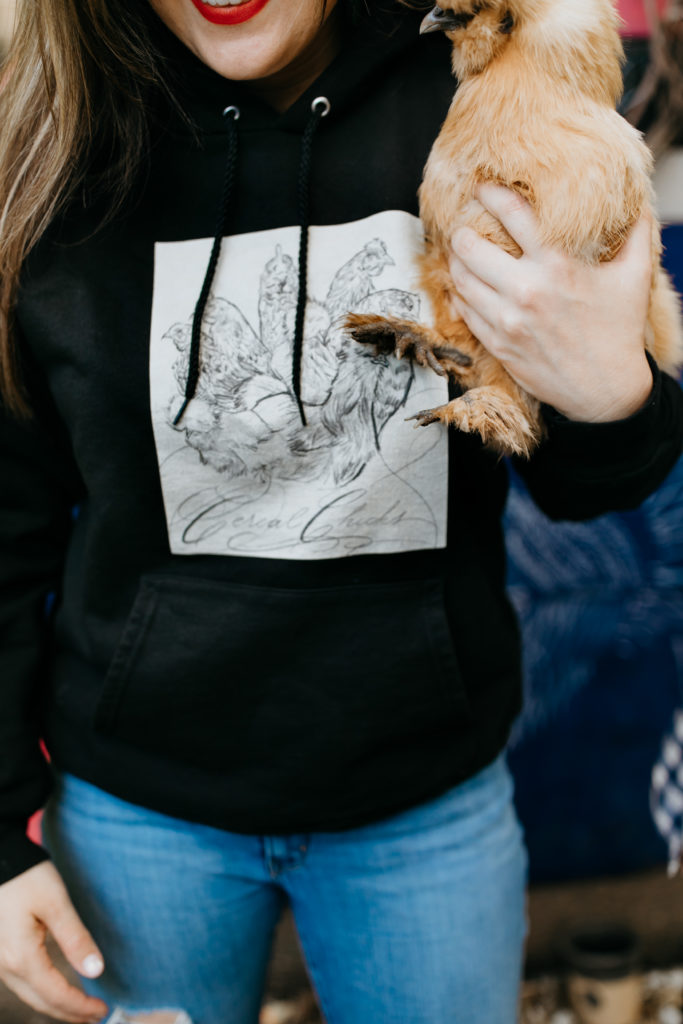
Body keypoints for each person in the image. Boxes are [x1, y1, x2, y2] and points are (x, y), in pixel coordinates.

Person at [0, 1, 681, 1022]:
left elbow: (587, 484)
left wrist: (608, 393)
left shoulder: (476, 92)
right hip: (139, 813)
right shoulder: (54, 143)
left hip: (423, 801)